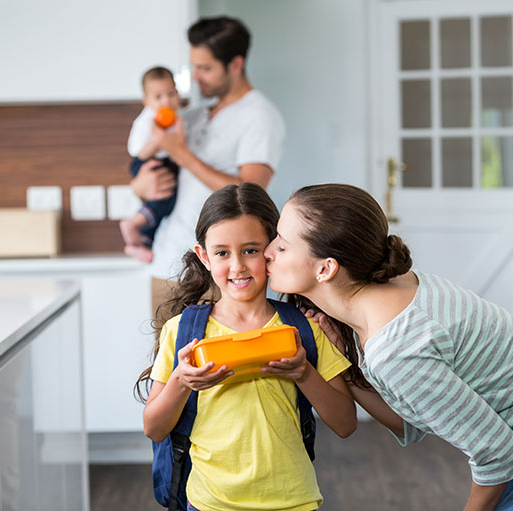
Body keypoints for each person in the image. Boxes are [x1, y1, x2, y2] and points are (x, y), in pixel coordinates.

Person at [263, 183, 513, 511]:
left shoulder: (395, 345)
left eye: (281, 246)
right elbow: (412, 423)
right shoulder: (398, 288)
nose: (267, 253)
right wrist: (343, 360)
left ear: (325, 268)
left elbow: (497, 455)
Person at [136, 183, 356, 511]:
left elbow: (345, 424)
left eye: (250, 250)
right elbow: (154, 428)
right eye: (222, 252)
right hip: (210, 503)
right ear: (204, 256)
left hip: (293, 501)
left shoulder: (305, 329)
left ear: (271, 250)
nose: (237, 266)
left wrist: (303, 372)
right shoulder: (181, 332)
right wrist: (182, 380)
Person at [129, 16, 286, 316]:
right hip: (167, 263)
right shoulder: (193, 115)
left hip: (217, 271)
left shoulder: (260, 116)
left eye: (206, 68)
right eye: (194, 67)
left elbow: (251, 190)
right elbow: (150, 167)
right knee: (168, 361)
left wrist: (182, 153)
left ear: (235, 65)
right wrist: (139, 185)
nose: (196, 77)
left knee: (216, 361)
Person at [120, 66, 181, 263]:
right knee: (163, 198)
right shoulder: (146, 121)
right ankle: (134, 223)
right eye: (158, 97)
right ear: (146, 101)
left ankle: (140, 243)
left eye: (170, 93)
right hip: (148, 161)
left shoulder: (176, 116)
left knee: (165, 204)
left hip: (165, 161)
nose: (166, 101)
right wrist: (158, 142)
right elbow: (137, 152)